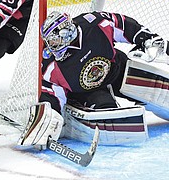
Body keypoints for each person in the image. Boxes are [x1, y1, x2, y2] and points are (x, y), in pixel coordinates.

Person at [18, 11, 169, 147]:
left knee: (156, 86)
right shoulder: (51, 65)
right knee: (113, 118)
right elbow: (51, 95)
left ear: (65, 32)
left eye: (54, 40)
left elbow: (122, 24)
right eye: (50, 42)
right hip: (88, 92)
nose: (51, 46)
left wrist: (146, 39)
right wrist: (47, 119)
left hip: (116, 69)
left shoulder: (94, 24)